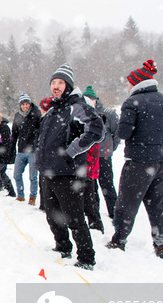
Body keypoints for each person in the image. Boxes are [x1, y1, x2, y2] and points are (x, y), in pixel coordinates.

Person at [106, 60, 163, 259]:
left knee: (127, 203)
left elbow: (123, 133)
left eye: (129, 83)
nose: (127, 86)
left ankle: (119, 240)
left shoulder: (132, 102)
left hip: (138, 162)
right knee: (157, 203)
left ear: (137, 83)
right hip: (162, 163)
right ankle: (161, 244)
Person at [36, 63, 104, 270]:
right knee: (52, 214)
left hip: (68, 173)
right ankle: (63, 246)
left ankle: (86, 257)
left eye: (60, 83)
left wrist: (72, 151)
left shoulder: (78, 106)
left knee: (74, 217)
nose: (56, 86)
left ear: (68, 85)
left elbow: (96, 129)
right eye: (53, 83)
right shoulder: (51, 110)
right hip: (47, 172)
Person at [83, 86, 121, 219]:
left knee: (107, 185)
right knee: (91, 188)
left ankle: (114, 213)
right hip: (88, 157)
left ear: (95, 100)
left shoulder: (108, 114)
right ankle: (94, 213)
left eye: (90, 99)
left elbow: (117, 134)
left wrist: (110, 148)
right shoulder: (83, 114)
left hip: (103, 156)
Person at [11, 92, 41, 205]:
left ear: (29, 104)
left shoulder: (36, 114)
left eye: (26, 104)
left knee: (33, 176)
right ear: (20, 105)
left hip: (33, 150)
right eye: (23, 104)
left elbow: (40, 131)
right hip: (21, 150)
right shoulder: (17, 116)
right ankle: (20, 195)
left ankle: (32, 197)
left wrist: (37, 144)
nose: (25, 106)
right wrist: (12, 148)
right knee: (16, 175)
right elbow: (14, 133)